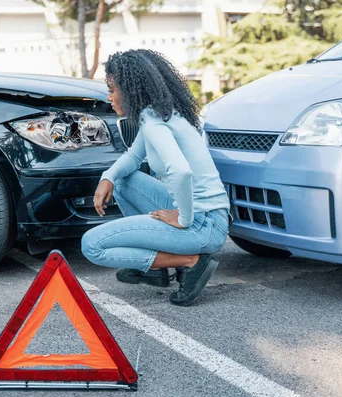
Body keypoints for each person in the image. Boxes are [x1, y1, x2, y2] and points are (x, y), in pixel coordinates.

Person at [81, 49, 230, 306]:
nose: (109, 97)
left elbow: (181, 170)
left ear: (131, 89)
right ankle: (156, 267)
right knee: (123, 181)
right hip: (209, 217)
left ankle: (191, 261)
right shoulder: (161, 113)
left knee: (92, 245)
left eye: (112, 89)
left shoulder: (152, 119)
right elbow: (133, 158)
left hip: (203, 225)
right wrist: (108, 177)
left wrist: (183, 218)